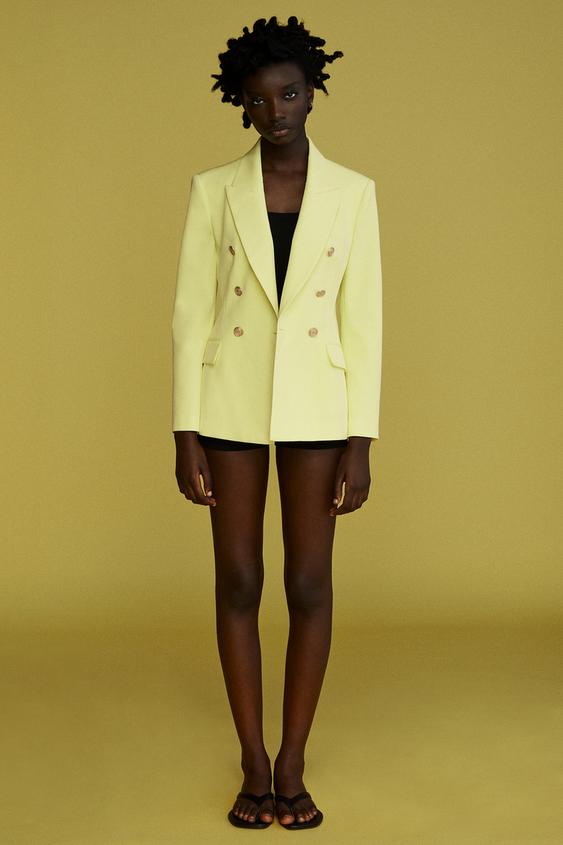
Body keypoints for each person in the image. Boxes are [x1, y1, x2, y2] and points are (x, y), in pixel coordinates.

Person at [172, 15, 382, 830]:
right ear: (242, 105)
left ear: (312, 92)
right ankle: (252, 760)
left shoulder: (353, 193)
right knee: (237, 578)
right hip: (228, 398)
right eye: (259, 100)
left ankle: (292, 759)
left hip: (317, 405)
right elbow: (191, 314)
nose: (276, 112)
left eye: (289, 94)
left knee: (308, 581)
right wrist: (184, 429)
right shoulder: (212, 189)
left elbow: (362, 321)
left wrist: (360, 439)